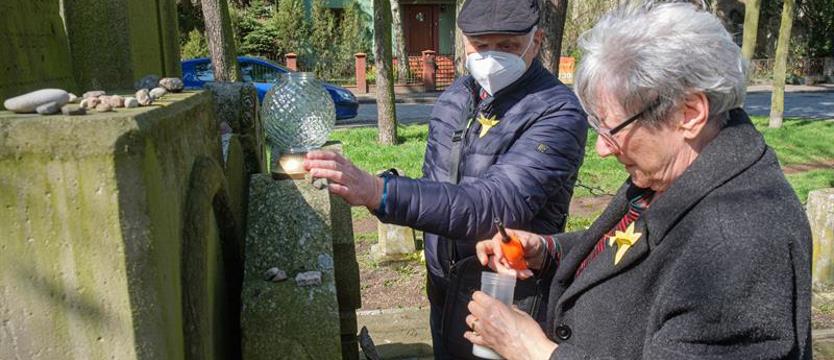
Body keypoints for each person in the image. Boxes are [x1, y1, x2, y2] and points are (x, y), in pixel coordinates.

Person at [465, 1, 813, 359]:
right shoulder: (680, 166)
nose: (602, 148)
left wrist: (531, 349)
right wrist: (548, 251)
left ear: (689, 113)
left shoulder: (739, 245)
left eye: (612, 128)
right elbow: (638, 252)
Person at [303, 0, 587, 357]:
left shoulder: (557, 111)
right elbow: (438, 185)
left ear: (537, 40)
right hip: (444, 290)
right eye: (480, 45)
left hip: (510, 299)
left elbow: (494, 207)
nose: (492, 57)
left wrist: (381, 192)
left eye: (508, 45)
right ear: (464, 41)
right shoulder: (454, 98)